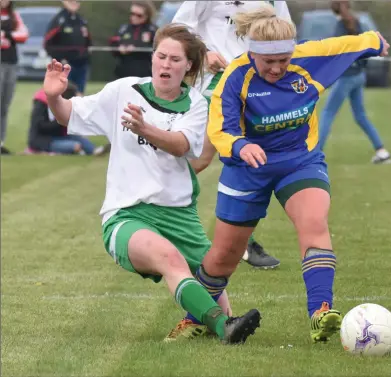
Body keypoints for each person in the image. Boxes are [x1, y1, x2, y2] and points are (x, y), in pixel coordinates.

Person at [42, 23, 261, 344]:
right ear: (153, 58)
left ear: (188, 65)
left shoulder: (197, 105)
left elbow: (181, 145)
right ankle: (223, 328)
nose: (165, 64)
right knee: (170, 260)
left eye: (175, 59)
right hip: (127, 213)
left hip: (179, 215)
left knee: (214, 279)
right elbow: (68, 115)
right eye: (161, 56)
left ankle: (212, 323)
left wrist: (144, 128)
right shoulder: (123, 91)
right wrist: (53, 97)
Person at [195, 4, 390, 344]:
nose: (277, 68)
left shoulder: (307, 60)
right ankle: (194, 318)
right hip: (247, 169)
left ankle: (320, 313)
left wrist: (375, 41)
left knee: (314, 223)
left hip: (300, 160)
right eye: (268, 61)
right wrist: (241, 146)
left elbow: (347, 45)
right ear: (252, 52)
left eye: (283, 60)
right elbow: (220, 131)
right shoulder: (235, 78)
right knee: (224, 257)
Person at [172, 1, 290, 269]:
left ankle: (241, 242)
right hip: (218, 81)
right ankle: (154, 207)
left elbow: (285, 33)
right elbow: (178, 28)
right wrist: (204, 52)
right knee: (202, 157)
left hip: (259, 82)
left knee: (255, 159)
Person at [318, 0, 391, 164]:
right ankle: (382, 151)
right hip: (359, 76)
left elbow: (335, 54)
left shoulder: (339, 27)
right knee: (360, 116)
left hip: (346, 78)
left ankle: (315, 154)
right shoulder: (357, 22)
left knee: (328, 113)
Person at [27, 81, 102, 155]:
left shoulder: (58, 103)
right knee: (75, 146)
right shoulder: (42, 104)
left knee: (80, 139)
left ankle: (95, 151)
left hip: (58, 136)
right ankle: (78, 150)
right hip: (43, 140)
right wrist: (61, 120)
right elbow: (41, 126)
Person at [44, 0, 92, 95]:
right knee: (65, 95)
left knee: (79, 96)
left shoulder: (81, 21)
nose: (74, 3)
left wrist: (87, 55)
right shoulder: (58, 20)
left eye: (77, 1)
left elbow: (88, 42)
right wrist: (60, 59)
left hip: (81, 65)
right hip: (64, 65)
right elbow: (47, 43)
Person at [1, 0, 29, 155]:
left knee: (4, 106)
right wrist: (9, 38)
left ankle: (1, 142)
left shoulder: (14, 16)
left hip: (11, 63)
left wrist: (7, 35)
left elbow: (23, 35)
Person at [109, 1, 158, 79]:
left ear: (147, 15)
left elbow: (157, 49)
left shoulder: (153, 30)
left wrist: (135, 48)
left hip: (144, 75)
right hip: (122, 74)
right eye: (132, 13)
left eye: (139, 15)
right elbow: (113, 42)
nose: (134, 17)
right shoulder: (124, 28)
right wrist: (119, 48)